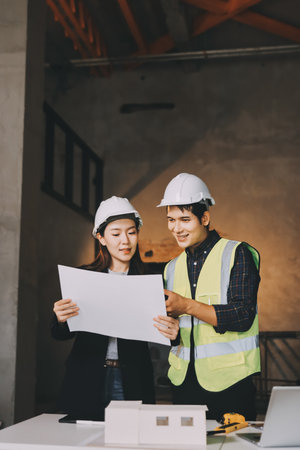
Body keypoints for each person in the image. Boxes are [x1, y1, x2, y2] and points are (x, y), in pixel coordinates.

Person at [52, 196, 178, 420]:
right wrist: (61, 319)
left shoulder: (150, 280)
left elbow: (168, 333)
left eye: (131, 232)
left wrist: (173, 332)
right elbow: (59, 334)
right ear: (101, 238)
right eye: (116, 234)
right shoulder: (84, 277)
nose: (125, 241)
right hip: (87, 374)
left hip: (132, 376)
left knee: (129, 439)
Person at [157, 173, 261, 421]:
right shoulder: (171, 268)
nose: (176, 228)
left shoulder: (237, 253)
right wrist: (170, 333)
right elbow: (178, 331)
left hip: (230, 383)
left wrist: (186, 306)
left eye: (184, 219)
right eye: (171, 220)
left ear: (204, 218)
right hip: (183, 383)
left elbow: (242, 315)